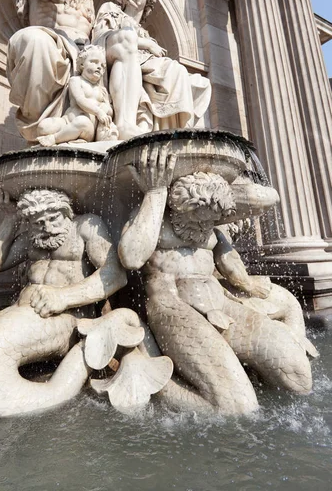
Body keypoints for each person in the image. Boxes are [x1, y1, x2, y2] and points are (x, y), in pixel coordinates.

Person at [117, 145, 314, 413]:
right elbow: (131, 257)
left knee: (297, 375)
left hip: (220, 304)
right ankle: (150, 373)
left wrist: (246, 284)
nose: (204, 227)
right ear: (178, 206)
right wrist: (155, 191)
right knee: (237, 407)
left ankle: (238, 371)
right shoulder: (154, 219)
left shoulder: (211, 224)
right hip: (172, 307)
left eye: (213, 220)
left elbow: (265, 200)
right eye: (199, 219)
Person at [7, 0, 139, 143]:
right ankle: (43, 124)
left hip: (87, 54)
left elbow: (100, 32)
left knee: (125, 38)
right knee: (32, 40)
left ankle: (126, 124)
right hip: (53, 42)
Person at [92, 0, 212, 140]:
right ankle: (127, 123)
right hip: (116, 56)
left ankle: (178, 134)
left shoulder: (144, 31)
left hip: (144, 64)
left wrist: (146, 43)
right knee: (174, 71)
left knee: (198, 81)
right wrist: (145, 43)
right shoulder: (110, 9)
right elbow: (99, 38)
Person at [36, 45, 118, 146]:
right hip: (66, 121)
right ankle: (68, 135)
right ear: (82, 64)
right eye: (94, 62)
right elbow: (80, 99)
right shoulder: (76, 80)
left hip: (87, 127)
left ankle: (54, 138)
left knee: (81, 122)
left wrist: (106, 104)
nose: (99, 67)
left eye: (102, 66)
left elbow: (109, 113)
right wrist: (98, 111)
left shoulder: (102, 90)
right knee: (43, 127)